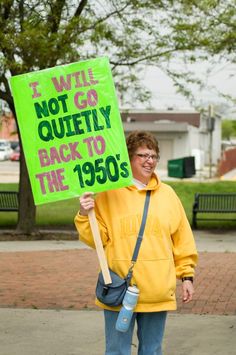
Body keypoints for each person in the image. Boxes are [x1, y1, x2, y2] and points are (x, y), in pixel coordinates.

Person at [74, 130, 198, 355]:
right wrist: (84, 213)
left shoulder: (168, 195)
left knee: (151, 350)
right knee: (116, 351)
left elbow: (182, 238)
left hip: (157, 290)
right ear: (129, 158)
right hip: (120, 289)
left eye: (153, 156)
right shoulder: (108, 193)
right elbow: (97, 240)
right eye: (142, 155)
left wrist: (186, 275)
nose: (149, 161)